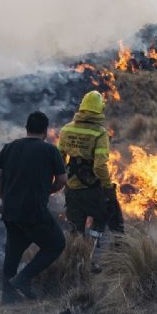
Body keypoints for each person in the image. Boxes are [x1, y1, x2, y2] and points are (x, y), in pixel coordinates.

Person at [0, 110, 68, 304]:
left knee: (14, 250)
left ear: (27, 129)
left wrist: (5, 198)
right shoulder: (50, 150)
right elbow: (61, 180)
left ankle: (7, 295)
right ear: (45, 131)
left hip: (11, 211)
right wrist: (47, 192)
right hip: (34, 211)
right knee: (56, 244)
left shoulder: (9, 148)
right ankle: (23, 278)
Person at [57, 90, 123, 272]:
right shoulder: (99, 133)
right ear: (99, 110)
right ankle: (94, 260)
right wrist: (108, 188)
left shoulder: (66, 129)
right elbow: (100, 167)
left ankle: (74, 267)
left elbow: (59, 161)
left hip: (71, 189)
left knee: (75, 230)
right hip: (93, 190)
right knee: (105, 217)